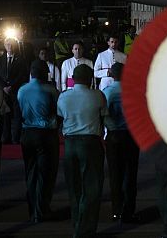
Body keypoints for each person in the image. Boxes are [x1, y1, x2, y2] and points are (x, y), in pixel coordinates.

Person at [57, 64, 107, 238]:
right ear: (90, 79)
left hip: (70, 144)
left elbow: (60, 115)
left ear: (73, 78)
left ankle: (77, 223)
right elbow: (104, 115)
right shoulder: (97, 95)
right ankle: (86, 230)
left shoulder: (63, 97)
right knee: (91, 188)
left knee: (74, 187)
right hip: (91, 143)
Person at [17, 60, 60, 223]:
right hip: (45, 133)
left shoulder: (22, 90)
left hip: (27, 132)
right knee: (45, 174)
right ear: (43, 73)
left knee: (31, 172)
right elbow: (58, 111)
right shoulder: (50, 90)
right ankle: (41, 210)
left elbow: (20, 110)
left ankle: (32, 208)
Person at [102, 62, 140, 223]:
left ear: (111, 74)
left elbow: (103, 114)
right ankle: (129, 210)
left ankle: (116, 210)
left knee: (114, 174)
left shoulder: (106, 92)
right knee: (130, 174)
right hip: (130, 135)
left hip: (113, 135)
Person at [0, 37, 29, 143]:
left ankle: (16, 138)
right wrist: (3, 87)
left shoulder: (21, 60)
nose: (9, 46)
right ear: (4, 46)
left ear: (14, 45)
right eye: (7, 44)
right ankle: (6, 138)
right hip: (4, 92)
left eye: (11, 44)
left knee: (17, 116)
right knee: (5, 116)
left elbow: (23, 75)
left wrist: (12, 86)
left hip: (16, 91)